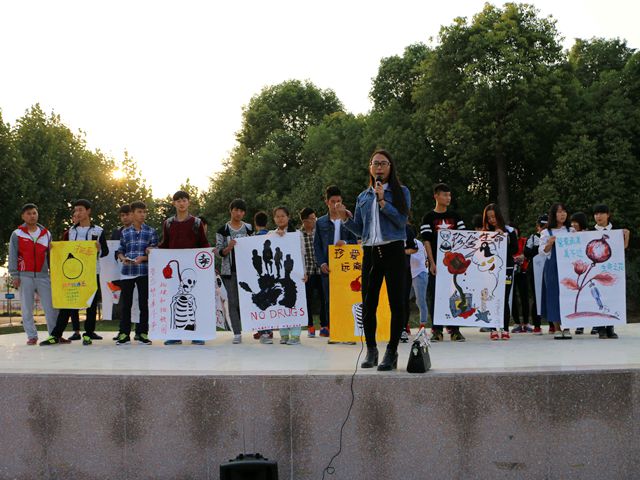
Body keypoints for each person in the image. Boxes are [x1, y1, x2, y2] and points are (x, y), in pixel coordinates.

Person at [337, 149, 411, 371]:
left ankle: (391, 351)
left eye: (383, 163)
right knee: (368, 303)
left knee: (397, 303)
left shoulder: (401, 192)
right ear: (370, 167)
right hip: (370, 251)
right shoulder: (363, 196)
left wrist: (383, 201)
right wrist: (345, 219)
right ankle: (371, 350)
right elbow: (360, 229)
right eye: (375, 163)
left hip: (393, 249)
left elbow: (401, 222)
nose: (379, 167)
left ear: (390, 167)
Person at [41, 199, 109, 346]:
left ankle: (88, 334)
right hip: (73, 273)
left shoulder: (98, 231)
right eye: (76, 210)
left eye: (80, 210)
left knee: (91, 304)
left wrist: (99, 249)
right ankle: (56, 335)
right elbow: (63, 250)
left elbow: (105, 252)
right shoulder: (71, 231)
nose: (77, 213)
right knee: (67, 303)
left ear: (88, 211)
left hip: (92, 272)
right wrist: (53, 249)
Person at [158, 190, 211, 346]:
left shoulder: (196, 223)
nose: (181, 203)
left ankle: (198, 334)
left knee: (196, 300)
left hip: (193, 269)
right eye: (178, 201)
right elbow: (165, 244)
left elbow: (203, 243)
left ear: (189, 202)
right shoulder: (168, 223)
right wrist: (153, 251)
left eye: (184, 200)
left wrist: (210, 254)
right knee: (173, 299)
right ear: (174, 203)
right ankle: (175, 335)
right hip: (175, 271)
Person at [420, 183, 466, 342]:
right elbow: (426, 241)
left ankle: (455, 329)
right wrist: (432, 263)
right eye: (445, 195)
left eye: (449, 195)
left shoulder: (456, 217)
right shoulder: (428, 218)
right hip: (437, 264)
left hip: (455, 264)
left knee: (455, 294)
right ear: (436, 196)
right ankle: (437, 329)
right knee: (435, 296)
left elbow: (464, 239)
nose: (448, 198)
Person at [8, 203, 58, 345]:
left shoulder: (46, 234)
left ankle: (54, 335)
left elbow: (52, 256)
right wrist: (15, 275)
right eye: (29, 213)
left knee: (51, 307)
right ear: (23, 216)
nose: (32, 216)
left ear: (37, 215)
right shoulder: (17, 234)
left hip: (43, 276)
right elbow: (12, 255)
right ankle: (32, 336)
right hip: (24, 276)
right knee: (27, 308)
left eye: (34, 213)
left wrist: (54, 274)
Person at [313, 185, 358, 338]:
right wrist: (321, 263)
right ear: (327, 202)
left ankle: (348, 329)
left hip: (346, 266)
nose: (336, 205)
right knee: (329, 299)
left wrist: (345, 243)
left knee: (347, 297)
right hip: (328, 266)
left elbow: (356, 241)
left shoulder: (348, 219)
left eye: (338, 201)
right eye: (332, 201)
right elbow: (317, 245)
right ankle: (334, 330)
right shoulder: (320, 222)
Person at [114, 201, 158, 345]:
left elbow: (156, 252)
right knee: (125, 305)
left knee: (144, 304)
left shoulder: (151, 231)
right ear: (132, 214)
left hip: (144, 272)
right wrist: (123, 259)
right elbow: (120, 251)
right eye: (139, 212)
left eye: (144, 212)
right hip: (127, 272)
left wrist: (143, 258)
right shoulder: (125, 232)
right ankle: (124, 334)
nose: (142, 215)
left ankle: (142, 333)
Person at [216, 199, 253, 344]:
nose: (238, 213)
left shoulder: (249, 228)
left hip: (248, 270)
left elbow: (255, 245)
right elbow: (218, 252)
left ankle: (260, 330)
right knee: (233, 302)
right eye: (236, 210)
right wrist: (229, 247)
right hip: (229, 272)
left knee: (252, 300)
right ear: (231, 211)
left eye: (241, 211)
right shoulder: (222, 230)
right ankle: (237, 333)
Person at [592, 204, 630, 339]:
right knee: (598, 298)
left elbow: (622, 248)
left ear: (608, 215)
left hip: (611, 270)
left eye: (601, 213)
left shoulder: (615, 231)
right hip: (596, 271)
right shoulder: (590, 232)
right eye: (596, 214)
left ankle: (610, 327)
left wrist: (626, 236)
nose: (598, 216)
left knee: (611, 297)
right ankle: (600, 328)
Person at [270, 206, 307, 345]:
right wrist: (276, 236)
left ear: (288, 217)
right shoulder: (270, 234)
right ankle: (284, 334)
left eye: (283, 216)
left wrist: (304, 272)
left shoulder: (297, 234)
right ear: (274, 219)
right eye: (277, 216)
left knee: (295, 301)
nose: (280, 219)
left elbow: (302, 254)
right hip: (278, 275)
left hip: (295, 274)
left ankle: (296, 335)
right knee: (280, 301)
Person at [482, 204, 518, 340]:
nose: (492, 220)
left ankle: (505, 328)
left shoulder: (509, 230)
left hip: (507, 268)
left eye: (494, 216)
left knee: (504, 298)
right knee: (491, 296)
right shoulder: (484, 233)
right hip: (490, 270)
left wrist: (504, 239)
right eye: (489, 217)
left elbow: (515, 249)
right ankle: (493, 328)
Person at [539, 203, 574, 340]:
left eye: (564, 211)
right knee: (553, 295)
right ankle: (557, 327)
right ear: (553, 215)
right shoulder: (546, 232)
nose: (562, 214)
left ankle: (567, 327)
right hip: (553, 268)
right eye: (559, 212)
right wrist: (549, 243)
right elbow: (542, 252)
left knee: (569, 295)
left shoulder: (571, 231)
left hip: (569, 268)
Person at [299, 208, 324, 338]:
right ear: (305, 221)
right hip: (307, 272)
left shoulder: (318, 232)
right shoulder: (298, 235)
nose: (315, 220)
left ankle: (325, 325)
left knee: (323, 297)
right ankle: (310, 326)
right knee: (307, 299)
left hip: (320, 270)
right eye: (312, 219)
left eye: (315, 218)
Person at [523, 215, 547, 334]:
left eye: (546, 226)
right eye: (542, 226)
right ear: (538, 226)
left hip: (548, 268)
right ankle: (537, 325)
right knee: (536, 296)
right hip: (534, 269)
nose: (543, 228)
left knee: (549, 296)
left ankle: (553, 324)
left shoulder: (551, 235)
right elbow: (526, 252)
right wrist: (538, 248)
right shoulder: (533, 237)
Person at [569, 212, 590, 334]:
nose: (573, 224)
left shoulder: (589, 233)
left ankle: (595, 325)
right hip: (576, 270)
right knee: (579, 298)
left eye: (575, 222)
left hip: (588, 269)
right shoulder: (569, 235)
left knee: (589, 298)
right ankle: (580, 324)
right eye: (572, 222)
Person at [510, 226, 533, 334]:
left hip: (523, 270)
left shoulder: (524, 240)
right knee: (513, 297)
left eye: (515, 230)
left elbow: (529, 252)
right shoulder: (507, 241)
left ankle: (526, 322)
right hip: (511, 271)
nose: (514, 232)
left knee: (524, 297)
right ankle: (517, 322)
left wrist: (523, 256)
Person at [408, 236, 429, 330]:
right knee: (403, 300)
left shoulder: (418, 243)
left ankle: (422, 325)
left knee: (420, 300)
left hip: (419, 273)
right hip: (408, 274)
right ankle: (404, 325)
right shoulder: (401, 242)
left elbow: (416, 260)